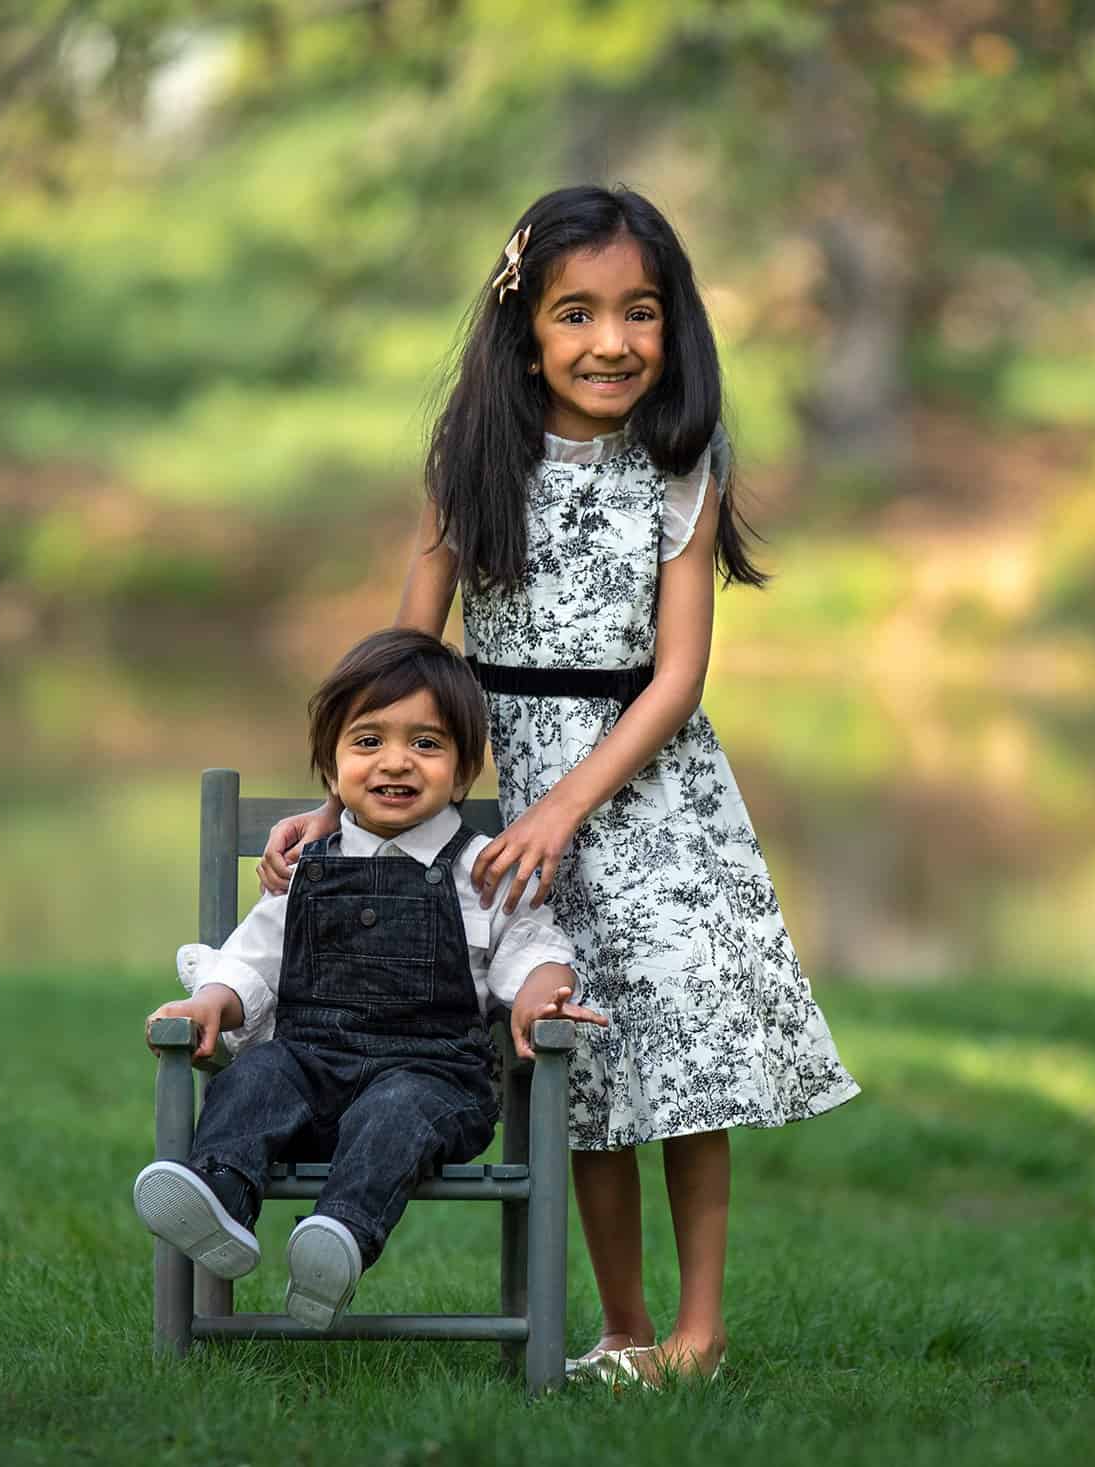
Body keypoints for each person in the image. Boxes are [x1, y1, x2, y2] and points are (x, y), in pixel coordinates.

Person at [259, 186, 861, 1383]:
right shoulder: (472, 457)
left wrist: (565, 806)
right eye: (575, 313)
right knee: (574, 1068)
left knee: (681, 1063)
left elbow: (678, 676)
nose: (609, 342)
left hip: (652, 795)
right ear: (522, 324)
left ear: (671, 323)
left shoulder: (679, 460)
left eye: (638, 313)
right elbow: (406, 662)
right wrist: (339, 799)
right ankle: (621, 1329)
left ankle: (696, 1332)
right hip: (513, 786)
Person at [134, 628, 605, 1331]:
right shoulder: (309, 867)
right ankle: (222, 1201)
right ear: (330, 766)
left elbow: (532, 945)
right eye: (368, 741)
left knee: (394, 1114)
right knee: (256, 1077)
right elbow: (253, 957)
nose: (396, 762)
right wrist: (212, 1001)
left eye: (426, 743)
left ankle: (339, 1240)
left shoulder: (480, 870)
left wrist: (543, 996)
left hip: (432, 1078)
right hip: (312, 1069)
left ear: (464, 767)